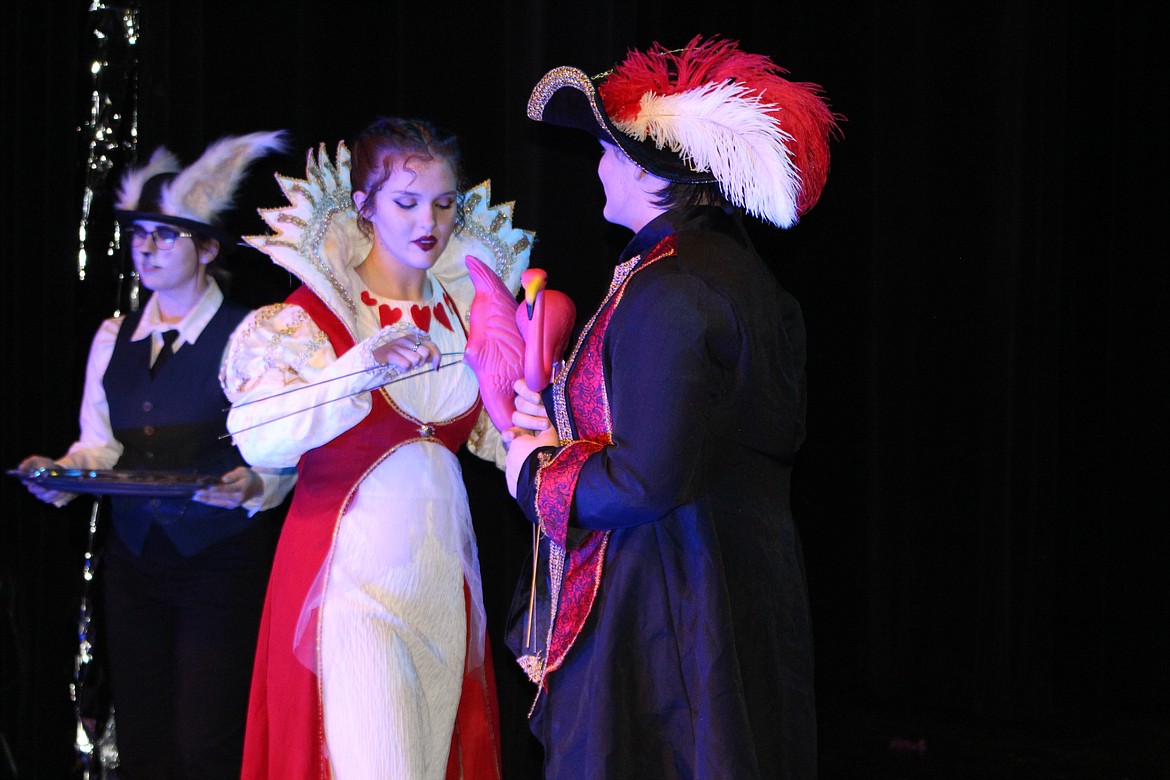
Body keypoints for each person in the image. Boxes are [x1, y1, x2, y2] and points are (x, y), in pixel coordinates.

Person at [502, 37, 841, 778]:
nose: (595, 165)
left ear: (643, 169)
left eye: (605, 152)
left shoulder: (670, 289)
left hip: (670, 603)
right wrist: (565, 425)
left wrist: (532, 473)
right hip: (729, 587)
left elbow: (647, 480)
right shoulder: (737, 278)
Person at [222, 117, 532, 779]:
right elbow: (258, 437)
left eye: (444, 203)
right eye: (406, 201)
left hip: (445, 590)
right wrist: (359, 368)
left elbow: (503, 442)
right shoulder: (315, 317)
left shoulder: (471, 313)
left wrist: (539, 428)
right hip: (350, 591)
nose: (430, 220)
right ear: (364, 206)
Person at [17, 131, 295, 779]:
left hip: (219, 562)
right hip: (135, 565)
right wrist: (63, 476)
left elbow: (284, 452)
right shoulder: (114, 336)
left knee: (205, 745)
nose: (146, 246)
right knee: (145, 746)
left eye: (166, 234)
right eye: (140, 232)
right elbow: (102, 445)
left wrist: (251, 485)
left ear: (206, 248)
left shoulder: (250, 334)